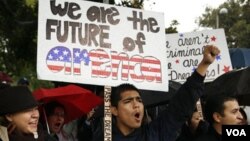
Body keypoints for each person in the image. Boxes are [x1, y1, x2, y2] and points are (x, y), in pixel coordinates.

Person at [92, 45, 220, 141]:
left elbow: (179, 108)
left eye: (139, 100)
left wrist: (204, 64)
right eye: (128, 101)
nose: (136, 105)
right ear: (114, 110)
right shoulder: (102, 138)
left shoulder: (153, 134)